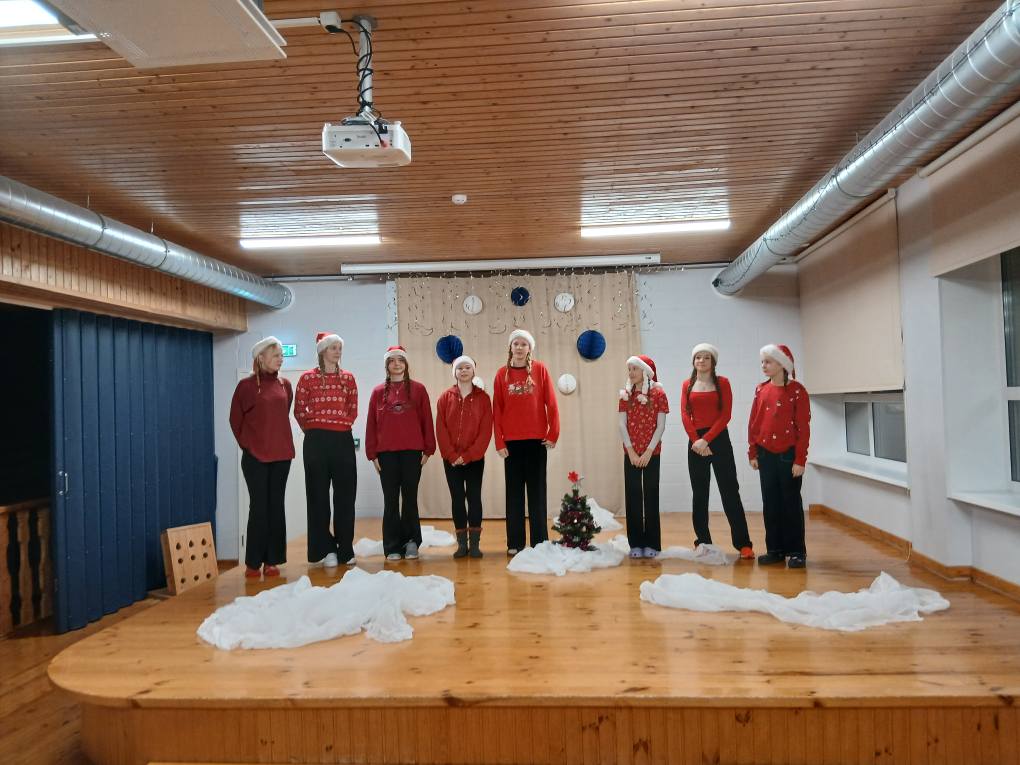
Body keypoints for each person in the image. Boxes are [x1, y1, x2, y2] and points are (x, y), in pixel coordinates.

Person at [680, 343, 754, 560]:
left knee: (730, 491)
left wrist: (707, 440)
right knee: (700, 494)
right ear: (693, 361)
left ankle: (743, 544)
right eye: (698, 357)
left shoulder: (723, 383)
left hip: (718, 439)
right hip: (695, 443)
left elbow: (726, 414)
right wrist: (696, 440)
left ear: (713, 362)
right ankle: (702, 541)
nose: (701, 361)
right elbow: (685, 414)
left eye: (706, 357)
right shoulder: (687, 384)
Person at [229, 336, 294, 578]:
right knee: (259, 507)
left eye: (281, 355)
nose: (280, 359)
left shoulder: (285, 385)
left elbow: (283, 414)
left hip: (282, 456)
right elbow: (235, 420)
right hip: (255, 458)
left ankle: (272, 561)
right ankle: (253, 563)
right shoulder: (245, 387)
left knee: (276, 506)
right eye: (275, 355)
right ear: (261, 358)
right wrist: (249, 445)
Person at [365, 346, 436, 561]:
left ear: (406, 364)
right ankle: (392, 546)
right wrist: (372, 454)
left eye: (400, 360)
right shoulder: (377, 392)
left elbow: (427, 420)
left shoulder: (419, 389)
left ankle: (411, 541)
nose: (396, 364)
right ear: (387, 365)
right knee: (391, 500)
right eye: (392, 360)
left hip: (412, 453)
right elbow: (371, 424)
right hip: (386, 455)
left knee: (410, 499)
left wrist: (428, 449)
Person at [492, 329, 560, 555]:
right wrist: (499, 441)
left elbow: (551, 403)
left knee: (537, 493)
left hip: (536, 441)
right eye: (516, 344)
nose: (519, 348)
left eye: (523, 344)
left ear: (529, 348)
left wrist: (553, 433)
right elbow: (497, 409)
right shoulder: (501, 374)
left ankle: (540, 541)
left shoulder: (540, 370)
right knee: (514, 494)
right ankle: (515, 542)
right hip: (511, 443)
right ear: (510, 347)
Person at [294, 332, 358, 568]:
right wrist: (314, 428)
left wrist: (339, 424)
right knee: (318, 497)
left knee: (345, 496)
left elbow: (352, 408)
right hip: (316, 441)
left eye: (340, 348)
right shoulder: (307, 379)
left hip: (342, 439)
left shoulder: (348, 378)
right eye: (333, 347)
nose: (338, 352)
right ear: (322, 351)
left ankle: (345, 548)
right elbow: (299, 410)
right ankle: (325, 548)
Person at [748, 344, 811, 569]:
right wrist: (753, 451)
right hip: (765, 454)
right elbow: (754, 422)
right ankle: (775, 550)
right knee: (770, 503)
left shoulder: (797, 391)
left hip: (788, 455)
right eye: (762, 362)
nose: (763, 366)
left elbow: (803, 428)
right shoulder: (761, 389)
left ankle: (797, 551)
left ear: (782, 364)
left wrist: (800, 459)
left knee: (790, 503)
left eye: (768, 361)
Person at [435, 355, 492, 558]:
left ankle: (475, 544)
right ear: (455, 372)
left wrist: (469, 455)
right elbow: (440, 428)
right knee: (457, 499)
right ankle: (462, 545)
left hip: (474, 459)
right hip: (451, 460)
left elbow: (486, 431)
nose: (464, 371)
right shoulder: (445, 398)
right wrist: (451, 455)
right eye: (460, 368)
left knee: (474, 498)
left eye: (467, 367)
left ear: (473, 371)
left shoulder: (483, 398)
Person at [618, 355, 668, 559]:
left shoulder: (659, 394)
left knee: (651, 494)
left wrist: (648, 452)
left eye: (635, 369)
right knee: (633, 495)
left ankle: (652, 542)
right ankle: (636, 543)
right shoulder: (625, 395)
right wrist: (630, 451)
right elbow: (622, 424)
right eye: (629, 369)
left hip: (651, 453)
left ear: (645, 371)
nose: (631, 373)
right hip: (631, 453)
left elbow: (660, 426)